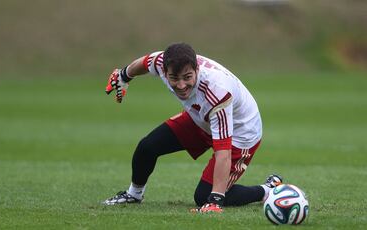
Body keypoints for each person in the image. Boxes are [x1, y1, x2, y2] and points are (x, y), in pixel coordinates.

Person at [103, 43, 282, 213]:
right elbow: (145, 61)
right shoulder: (161, 62)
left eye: (187, 77)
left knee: (205, 196)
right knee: (147, 147)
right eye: (174, 78)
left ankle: (268, 190)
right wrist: (124, 75)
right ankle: (134, 195)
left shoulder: (217, 91)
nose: (181, 86)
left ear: (197, 69)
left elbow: (223, 152)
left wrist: (216, 200)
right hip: (202, 117)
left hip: (240, 132)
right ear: (164, 72)